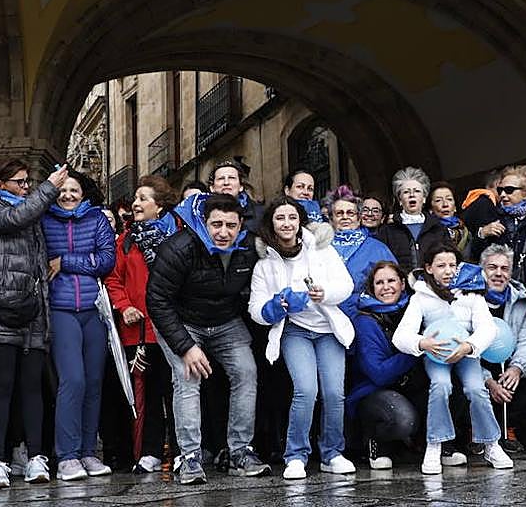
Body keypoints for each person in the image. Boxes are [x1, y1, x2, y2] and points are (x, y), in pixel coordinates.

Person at [145, 193, 271, 484]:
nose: (223, 232)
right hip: (181, 321)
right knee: (187, 377)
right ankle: (189, 457)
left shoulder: (250, 248)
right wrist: (186, 347)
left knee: (246, 372)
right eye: (216, 224)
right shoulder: (179, 248)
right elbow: (157, 300)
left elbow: (288, 246)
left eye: (230, 225)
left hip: (225, 321)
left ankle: (240, 451)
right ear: (205, 222)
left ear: (241, 225)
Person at [249, 198, 356, 479]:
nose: (286, 223)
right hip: (294, 331)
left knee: (334, 392)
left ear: (300, 222)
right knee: (306, 390)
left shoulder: (323, 250)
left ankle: (332, 453)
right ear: (271, 223)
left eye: (292, 217)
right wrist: (275, 307)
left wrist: (326, 294)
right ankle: (296, 455)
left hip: (328, 329)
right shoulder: (264, 264)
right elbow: (255, 309)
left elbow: (346, 285)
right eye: (280, 218)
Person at [0, 158, 68, 489]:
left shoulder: (31, 209)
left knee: (32, 389)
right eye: (20, 182)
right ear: (0, 184)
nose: (26, 187)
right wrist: (49, 188)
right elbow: (18, 216)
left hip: (33, 313)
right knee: (2, 388)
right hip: (2, 311)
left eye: (28, 181)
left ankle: (36, 457)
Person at [392, 243, 513, 474]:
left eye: (452, 265)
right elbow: (401, 335)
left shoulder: (472, 293)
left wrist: (469, 345)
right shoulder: (421, 297)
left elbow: (487, 328)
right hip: (436, 354)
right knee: (440, 385)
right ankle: (435, 443)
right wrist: (422, 343)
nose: (448, 271)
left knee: (476, 389)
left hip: (466, 353)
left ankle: (491, 443)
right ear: (428, 268)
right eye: (441, 266)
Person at [42, 169, 116, 481]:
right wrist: (79, 260)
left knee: (94, 382)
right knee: (73, 380)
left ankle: (88, 451)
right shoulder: (43, 221)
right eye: (62, 190)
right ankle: (67, 456)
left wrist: (66, 262)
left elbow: (106, 260)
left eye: (74, 190)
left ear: (83, 193)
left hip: (92, 310)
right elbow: (43, 261)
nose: (68, 195)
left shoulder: (97, 219)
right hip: (61, 310)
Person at [104, 175, 180, 473]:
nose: (136, 203)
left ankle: (180, 449)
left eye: (143, 198)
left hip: (172, 328)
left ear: (159, 207)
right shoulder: (125, 242)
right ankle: (149, 450)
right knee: (146, 392)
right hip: (139, 330)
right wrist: (124, 306)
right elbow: (113, 279)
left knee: (174, 390)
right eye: (136, 198)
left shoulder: (177, 238)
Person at [347, 261, 425, 469]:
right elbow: (378, 373)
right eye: (379, 283)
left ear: (402, 283)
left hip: (408, 386)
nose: (386, 287)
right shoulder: (365, 321)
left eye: (391, 280)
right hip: (373, 392)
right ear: (372, 289)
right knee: (402, 419)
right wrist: (417, 347)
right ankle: (375, 442)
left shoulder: (415, 309)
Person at [477, 245, 526, 446]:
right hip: (477, 367)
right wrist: (488, 381)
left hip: (507, 365)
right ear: (482, 270)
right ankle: (474, 430)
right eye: (492, 268)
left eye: (504, 269)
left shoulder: (520, 301)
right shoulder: (469, 300)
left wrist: (517, 368)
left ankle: (510, 427)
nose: (498, 273)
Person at [470, 164, 526, 290]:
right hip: (500, 290)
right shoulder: (493, 216)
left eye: (509, 190)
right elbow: (475, 256)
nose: (502, 195)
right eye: (500, 190)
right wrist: (482, 234)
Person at [326, 187, 396, 317]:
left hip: (365, 314)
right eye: (339, 213)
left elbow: (394, 286)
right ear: (331, 219)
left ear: (359, 219)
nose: (345, 217)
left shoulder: (378, 248)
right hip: (325, 316)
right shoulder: (320, 248)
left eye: (350, 213)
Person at [378, 167, 443, 271]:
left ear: (424, 198)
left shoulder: (438, 228)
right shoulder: (387, 231)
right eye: (406, 192)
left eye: (417, 191)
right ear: (400, 200)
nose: (412, 195)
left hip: (432, 284)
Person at [429, 181, 470, 254]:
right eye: (438, 200)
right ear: (431, 209)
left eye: (449, 199)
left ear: (455, 207)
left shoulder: (466, 230)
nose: (445, 204)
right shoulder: (429, 232)